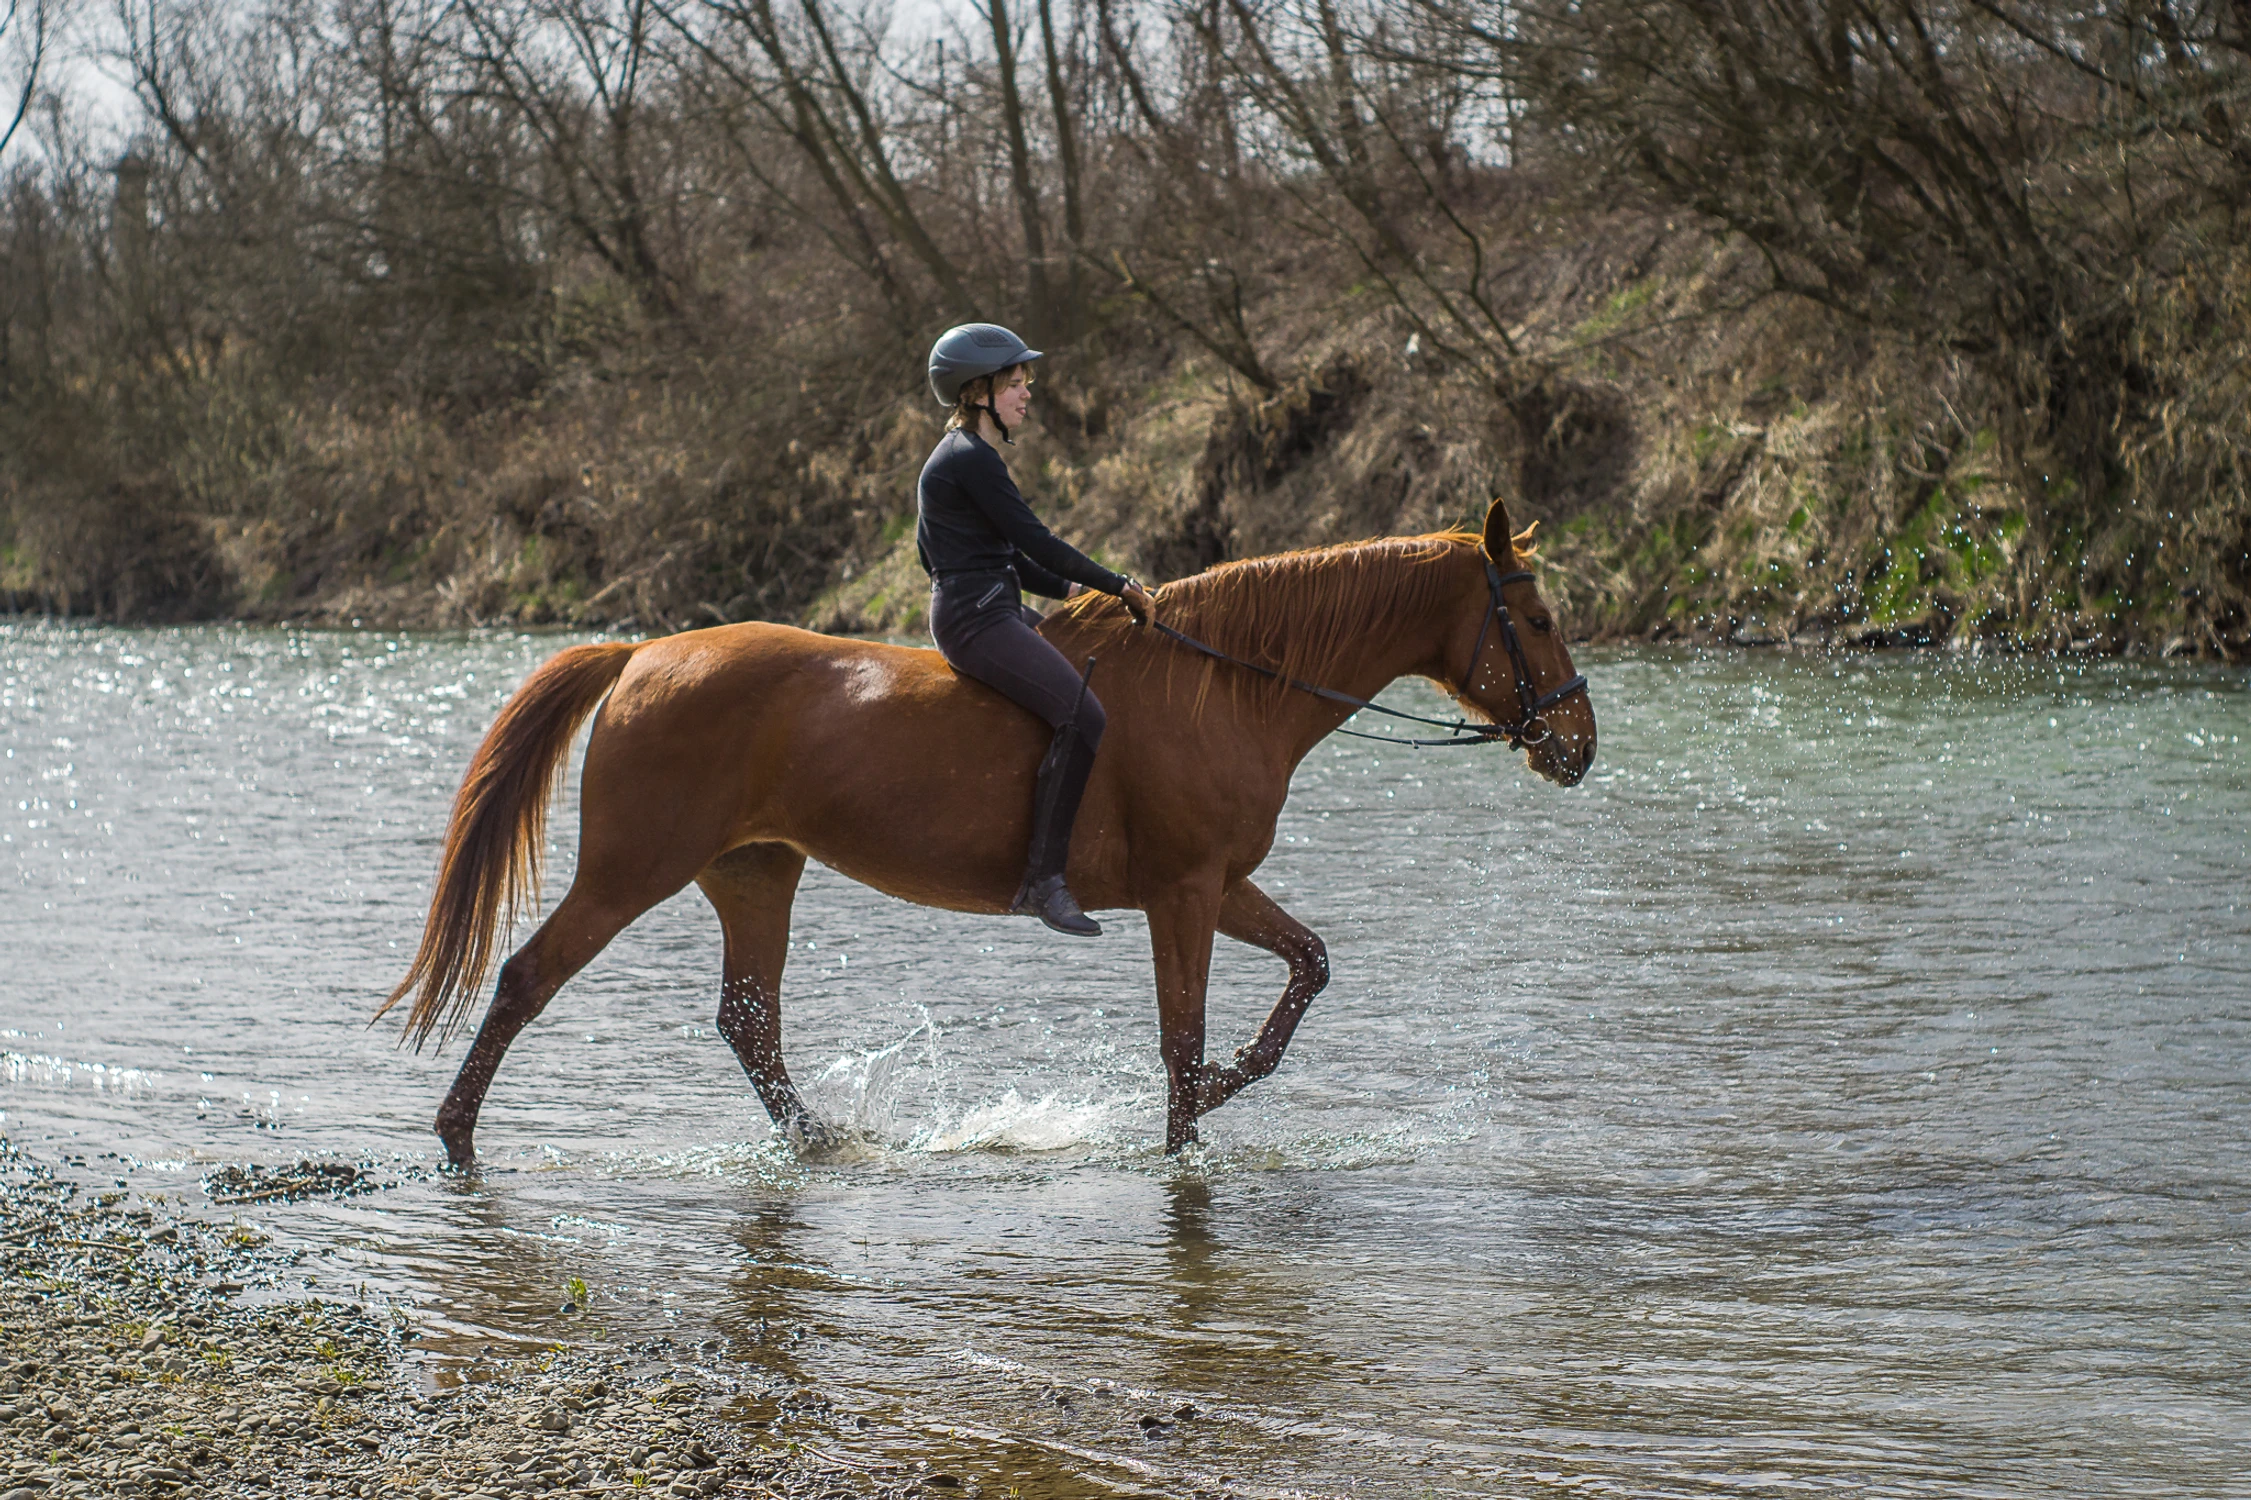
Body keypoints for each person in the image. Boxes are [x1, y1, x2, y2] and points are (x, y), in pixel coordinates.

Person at [919, 323, 1158, 937]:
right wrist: (1119, 585)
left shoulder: (968, 460)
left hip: (991, 606)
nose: (1027, 395)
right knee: (1085, 715)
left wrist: (1077, 593)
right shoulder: (970, 460)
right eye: (1016, 384)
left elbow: (1011, 560)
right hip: (977, 620)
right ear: (977, 393)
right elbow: (1036, 541)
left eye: (1026, 383)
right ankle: (1044, 880)